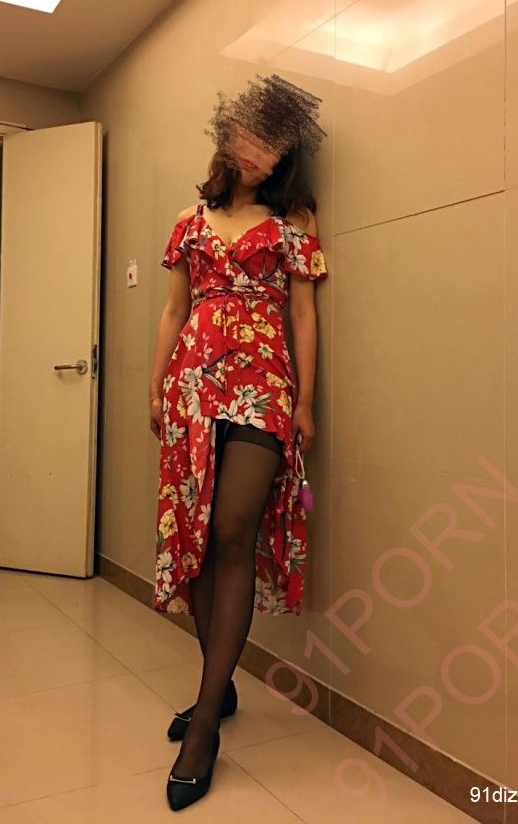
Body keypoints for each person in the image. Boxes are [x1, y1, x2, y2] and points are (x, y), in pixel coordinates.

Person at [149, 73, 329, 811]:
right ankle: (216, 690)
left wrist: (305, 402)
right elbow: (173, 310)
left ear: (284, 156)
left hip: (262, 385)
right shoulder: (190, 219)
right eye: (249, 135)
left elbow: (304, 314)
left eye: (272, 143)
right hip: (192, 385)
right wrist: (155, 386)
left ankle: (204, 729)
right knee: (195, 539)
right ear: (228, 140)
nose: (257, 151)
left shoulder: (295, 222)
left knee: (232, 531)